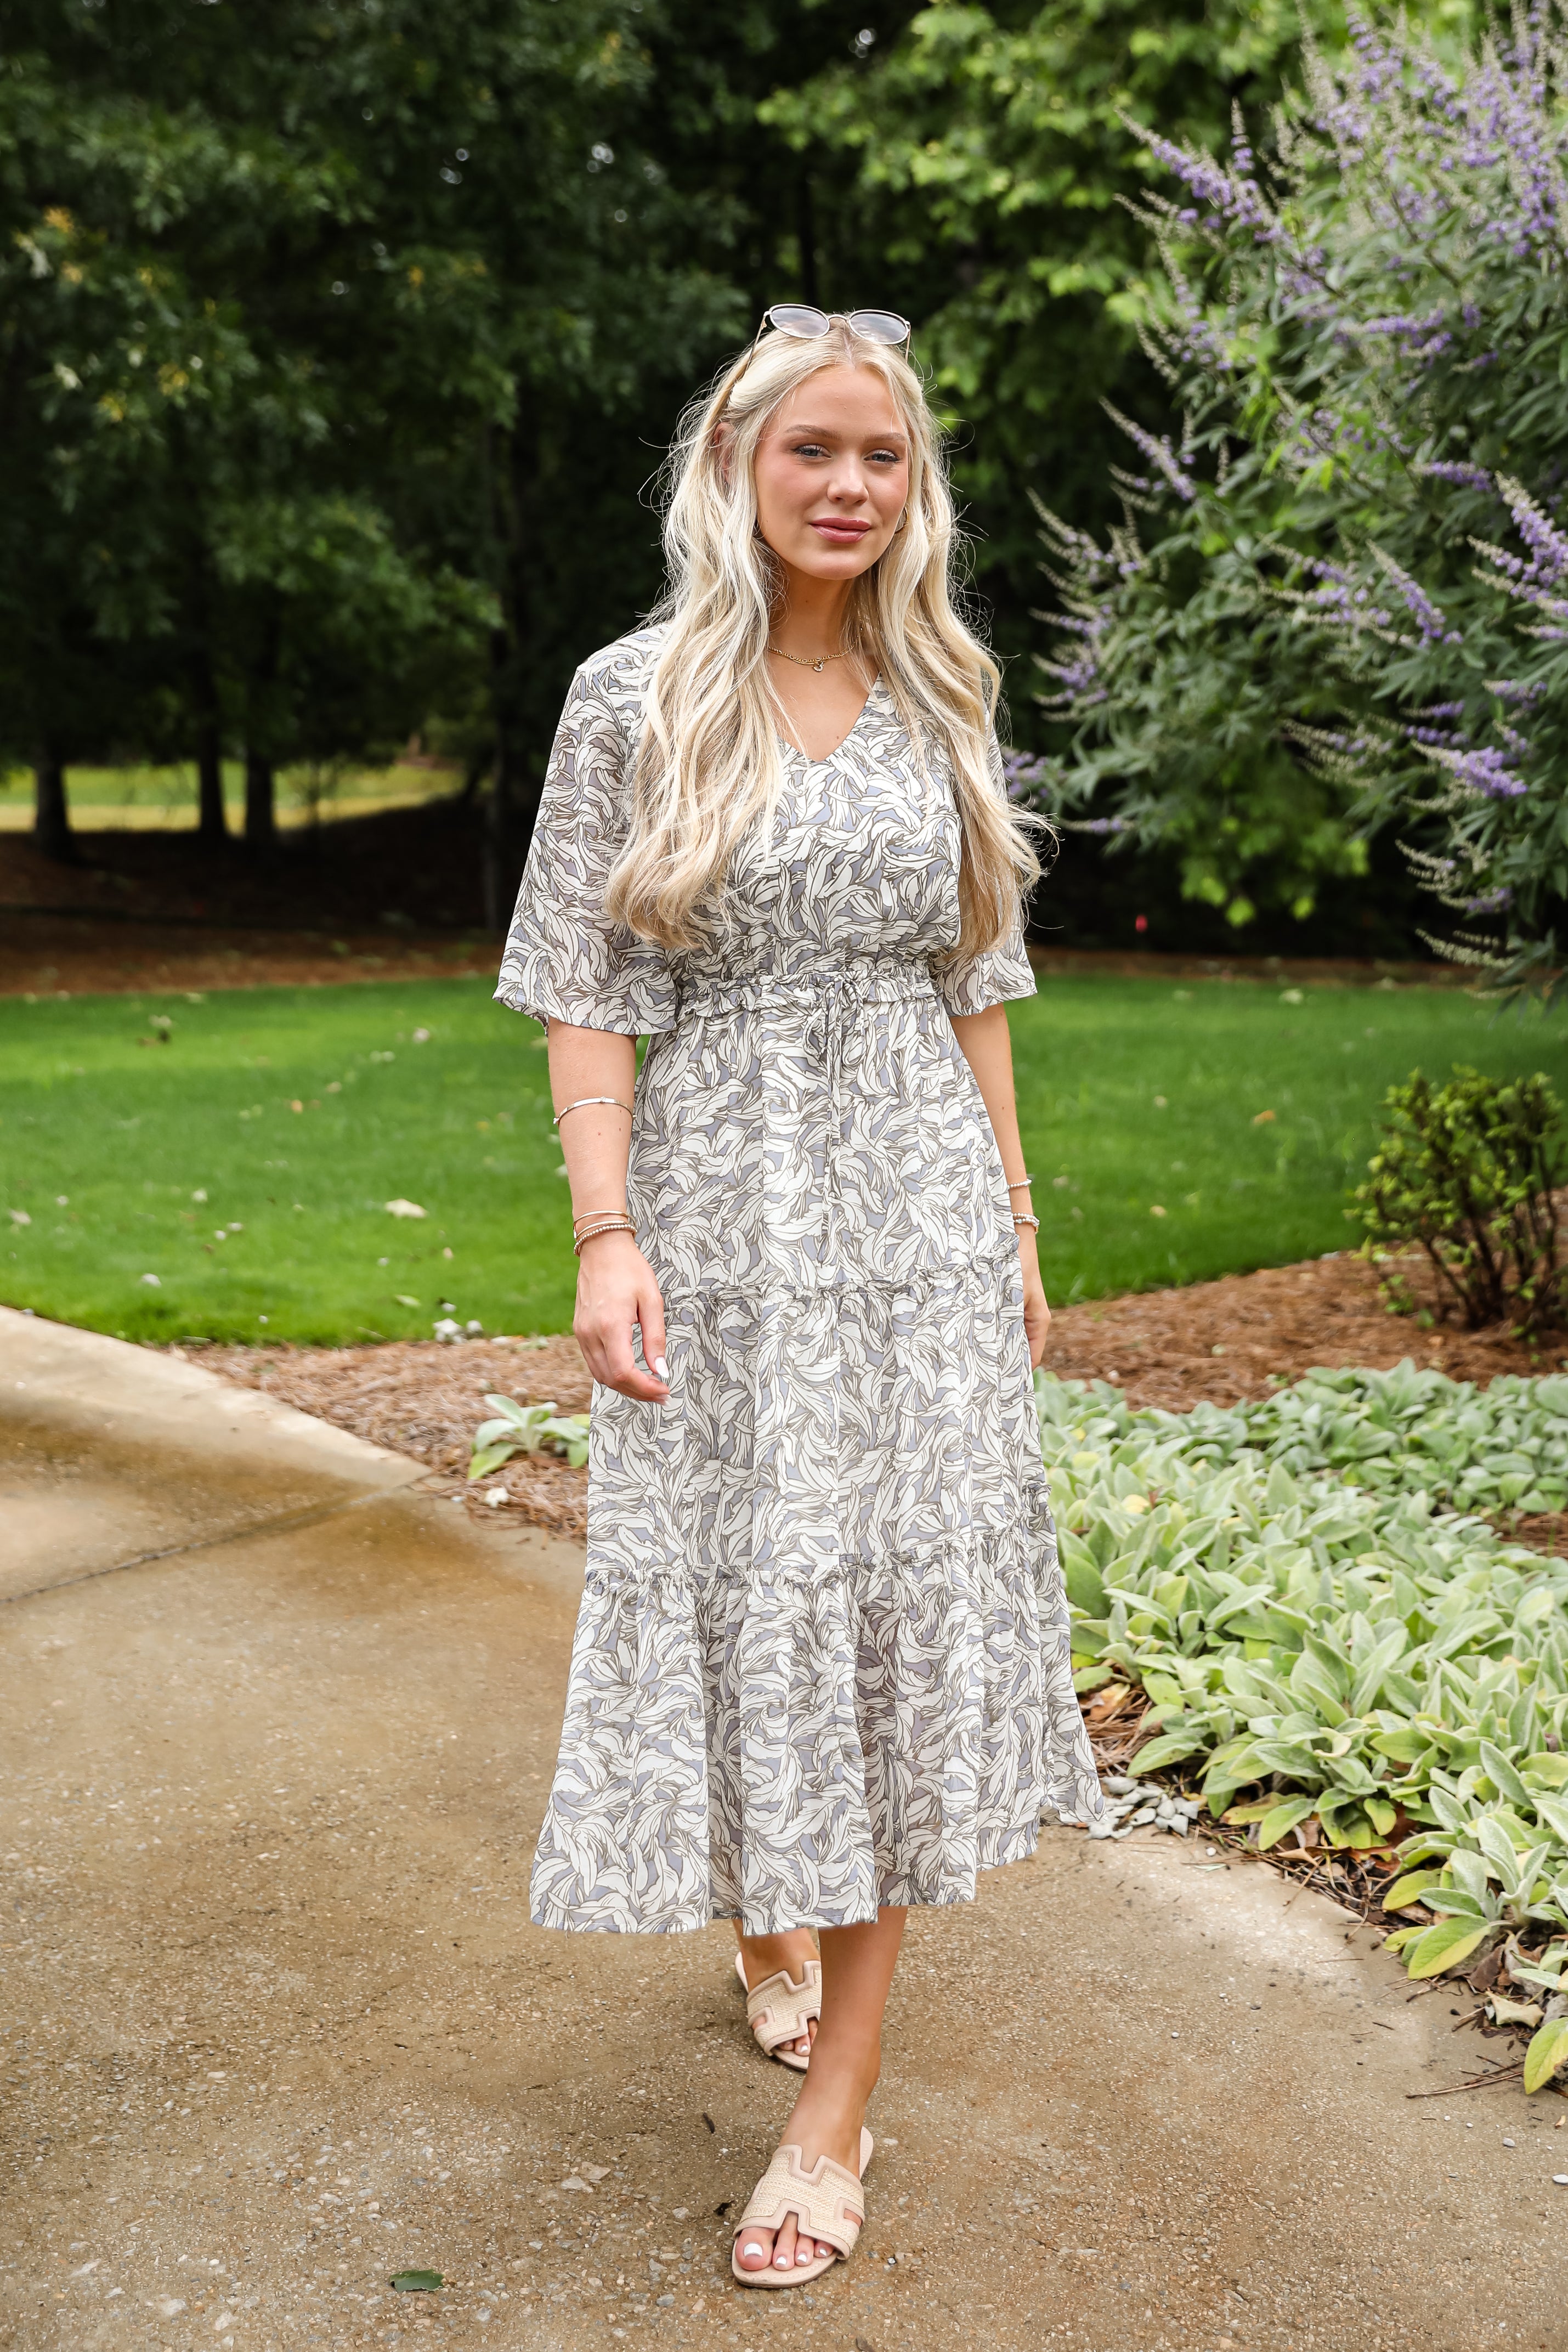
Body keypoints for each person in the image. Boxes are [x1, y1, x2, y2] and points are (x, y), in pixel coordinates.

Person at [496, 304, 1101, 2291]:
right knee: (753, 1586)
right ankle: (764, 1917)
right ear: (734, 468)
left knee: (882, 1621)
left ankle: (835, 2103)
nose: (848, 486)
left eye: (881, 455)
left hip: (917, 1219)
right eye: (810, 450)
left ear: (914, 486)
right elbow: (585, 983)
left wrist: (1014, 1216)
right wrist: (605, 1235)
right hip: (723, 1210)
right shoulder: (635, 695)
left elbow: (974, 975)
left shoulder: (944, 691)